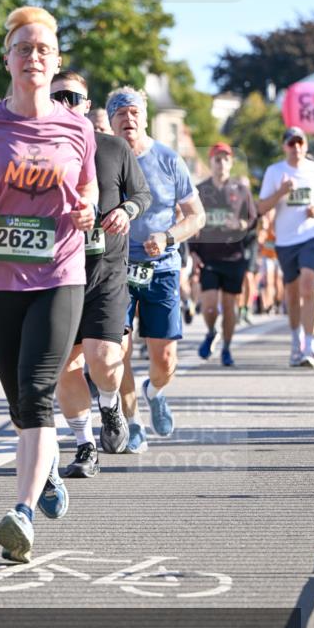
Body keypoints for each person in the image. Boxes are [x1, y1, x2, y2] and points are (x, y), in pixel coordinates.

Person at [0, 6, 97, 564]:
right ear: (7, 58)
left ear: (56, 62)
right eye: (23, 48)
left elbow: (90, 191)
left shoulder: (77, 126)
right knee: (20, 404)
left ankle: (22, 513)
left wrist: (88, 215)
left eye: (43, 50)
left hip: (60, 273)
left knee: (34, 393)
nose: (33, 57)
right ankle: (48, 465)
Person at [51, 71, 152, 466]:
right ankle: (84, 444)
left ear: (87, 104)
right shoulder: (36, 152)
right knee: (65, 365)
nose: (65, 103)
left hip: (106, 271)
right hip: (57, 274)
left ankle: (110, 405)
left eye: (73, 97)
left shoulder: (112, 148)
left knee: (104, 359)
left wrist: (127, 210)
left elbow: (141, 193)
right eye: (57, 96)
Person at [109, 87, 205, 447]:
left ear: (145, 117)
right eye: (120, 113)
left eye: (134, 112)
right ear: (110, 120)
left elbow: (197, 217)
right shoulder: (102, 158)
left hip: (161, 267)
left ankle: (155, 390)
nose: (128, 119)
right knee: (117, 350)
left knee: (164, 359)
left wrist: (167, 236)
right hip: (115, 268)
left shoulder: (168, 159)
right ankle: (133, 422)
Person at [189, 143, 258, 366]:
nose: (221, 163)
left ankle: (227, 349)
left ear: (231, 163)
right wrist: (193, 252)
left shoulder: (241, 190)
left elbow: (253, 220)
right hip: (209, 257)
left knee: (229, 307)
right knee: (209, 306)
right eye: (217, 159)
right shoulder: (201, 190)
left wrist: (240, 223)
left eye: (225, 159)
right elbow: (191, 222)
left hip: (234, 257)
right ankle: (211, 332)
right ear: (210, 162)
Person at [258, 127, 314, 368]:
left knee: (308, 286)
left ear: (306, 145)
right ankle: (296, 342)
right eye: (291, 143)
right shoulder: (275, 172)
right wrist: (281, 192)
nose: (296, 147)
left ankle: (308, 343)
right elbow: (262, 208)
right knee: (293, 295)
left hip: (313, 236)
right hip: (286, 241)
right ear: (284, 146)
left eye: (300, 142)